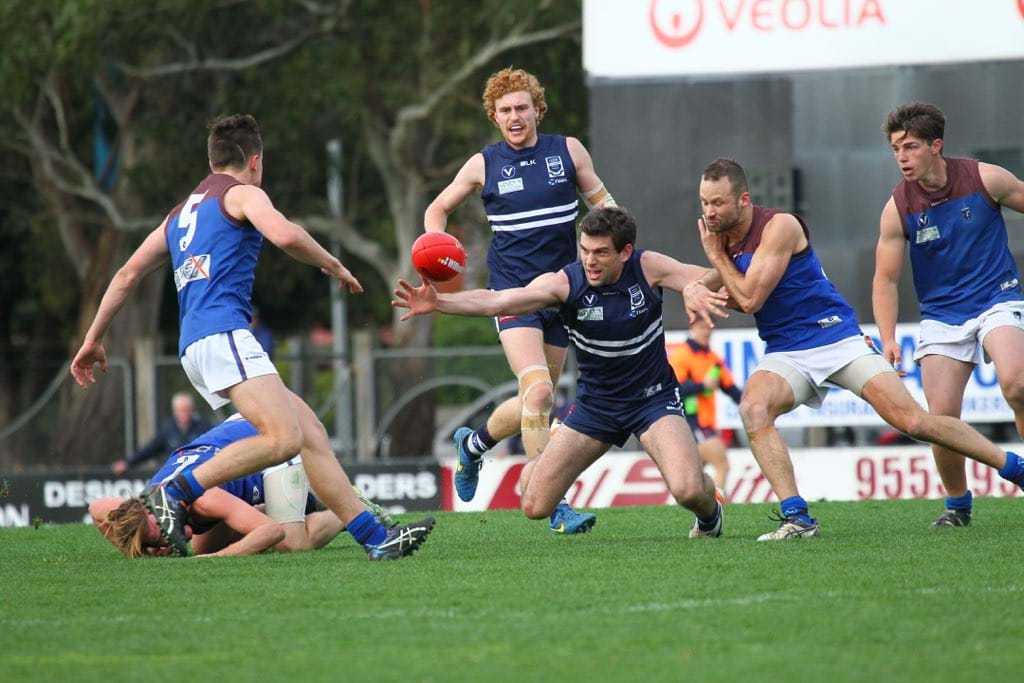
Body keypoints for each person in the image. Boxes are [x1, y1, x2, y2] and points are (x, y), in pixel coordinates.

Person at [71, 114, 434, 560]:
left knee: (309, 431)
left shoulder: (179, 214)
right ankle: (176, 491)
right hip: (223, 333)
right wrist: (332, 263)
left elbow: (126, 274)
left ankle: (376, 538)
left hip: (196, 345)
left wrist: (93, 338)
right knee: (284, 440)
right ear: (255, 161)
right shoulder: (242, 193)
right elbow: (285, 234)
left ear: (211, 160)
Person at [688, 157, 1024, 541]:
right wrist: (693, 287)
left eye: (717, 203)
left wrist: (714, 261)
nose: (709, 212)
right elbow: (710, 280)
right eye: (704, 203)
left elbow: (749, 298)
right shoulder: (726, 242)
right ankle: (798, 518)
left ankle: (1014, 467)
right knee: (753, 408)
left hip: (836, 338)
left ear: (743, 200)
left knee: (913, 421)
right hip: (787, 350)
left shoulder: (778, 226)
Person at [395, 207, 727, 538]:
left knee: (687, 491)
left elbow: (705, 279)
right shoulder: (566, 283)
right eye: (585, 250)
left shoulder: (648, 266)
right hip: (596, 408)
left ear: (625, 252)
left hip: (652, 400)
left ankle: (710, 515)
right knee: (535, 505)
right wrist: (441, 303)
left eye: (601, 252)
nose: (590, 261)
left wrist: (700, 281)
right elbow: (500, 301)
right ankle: (537, 460)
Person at [423, 67, 615, 534]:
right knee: (541, 392)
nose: (514, 116)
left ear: (537, 110)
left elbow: (607, 208)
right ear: (494, 116)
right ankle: (556, 505)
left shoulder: (568, 151)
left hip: (562, 294)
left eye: (522, 107)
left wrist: (623, 248)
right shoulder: (483, 164)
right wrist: (435, 245)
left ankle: (472, 445)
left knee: (535, 401)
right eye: (505, 109)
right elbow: (437, 208)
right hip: (510, 295)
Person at [873, 102, 1024, 528]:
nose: (902, 157)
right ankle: (958, 506)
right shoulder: (897, 206)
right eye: (896, 149)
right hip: (942, 315)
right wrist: (887, 338)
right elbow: (885, 279)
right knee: (939, 419)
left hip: (996, 298)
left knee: (1017, 384)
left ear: (935, 145)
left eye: (910, 147)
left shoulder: (985, 178)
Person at [90, 415, 393, 558]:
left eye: (160, 532)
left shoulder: (202, 498)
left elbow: (270, 532)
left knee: (290, 543)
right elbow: (96, 509)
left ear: (155, 511)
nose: (165, 539)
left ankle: (350, 510)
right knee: (200, 545)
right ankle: (302, 503)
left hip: (271, 442)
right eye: (156, 540)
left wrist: (215, 560)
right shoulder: (142, 503)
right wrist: (137, 548)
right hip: (237, 433)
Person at [668, 318, 742, 490]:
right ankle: (718, 503)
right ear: (692, 328)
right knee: (722, 465)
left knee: (693, 476)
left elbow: (730, 388)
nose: (706, 332)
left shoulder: (713, 359)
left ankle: (694, 503)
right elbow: (673, 389)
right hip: (692, 422)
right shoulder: (682, 355)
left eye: (709, 328)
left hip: (705, 422)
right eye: (702, 327)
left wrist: (753, 405)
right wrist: (702, 385)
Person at [111, 392, 212, 475]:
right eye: (181, 410)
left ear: (192, 410)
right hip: (173, 475)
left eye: (187, 410)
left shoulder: (203, 426)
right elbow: (150, 449)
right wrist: (128, 463)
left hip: (197, 473)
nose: (184, 414)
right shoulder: (168, 429)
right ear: (175, 411)